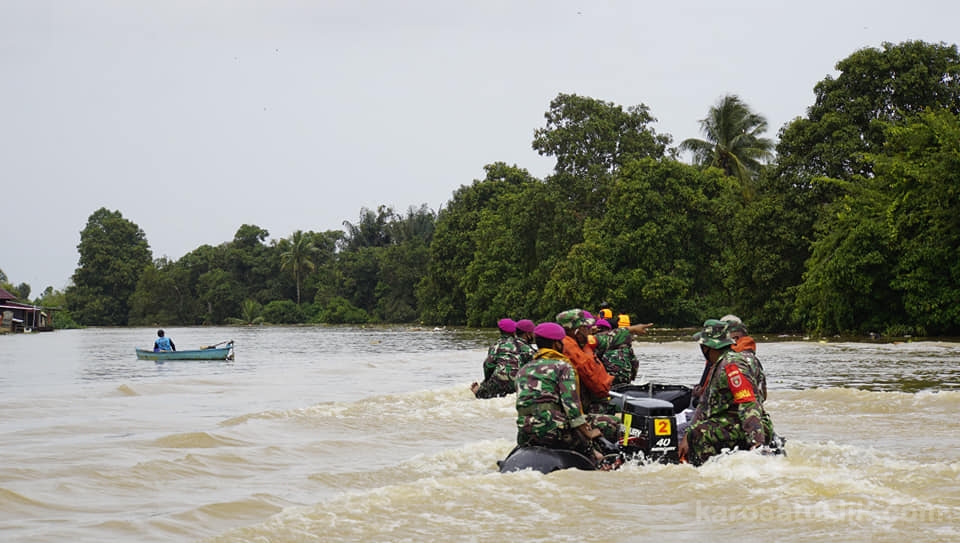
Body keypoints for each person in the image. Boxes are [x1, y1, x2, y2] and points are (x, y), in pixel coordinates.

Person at [678, 319, 775, 466]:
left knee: (700, 433)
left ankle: (705, 470)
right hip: (737, 423)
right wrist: (687, 436)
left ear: (706, 347)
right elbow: (704, 406)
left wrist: (757, 443)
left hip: (747, 425)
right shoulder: (720, 364)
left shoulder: (731, 366)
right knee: (693, 431)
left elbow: (748, 403)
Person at [514, 321, 605, 465]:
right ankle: (598, 457)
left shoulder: (523, 369)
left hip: (526, 434)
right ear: (557, 344)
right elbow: (572, 409)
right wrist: (589, 434)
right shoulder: (563, 367)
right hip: (554, 433)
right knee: (611, 423)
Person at [471, 318, 523, 399]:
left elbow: (488, 365)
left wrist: (487, 380)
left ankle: (478, 391)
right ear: (514, 331)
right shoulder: (522, 345)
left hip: (498, 385)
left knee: (481, 392)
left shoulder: (495, 346)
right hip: (518, 384)